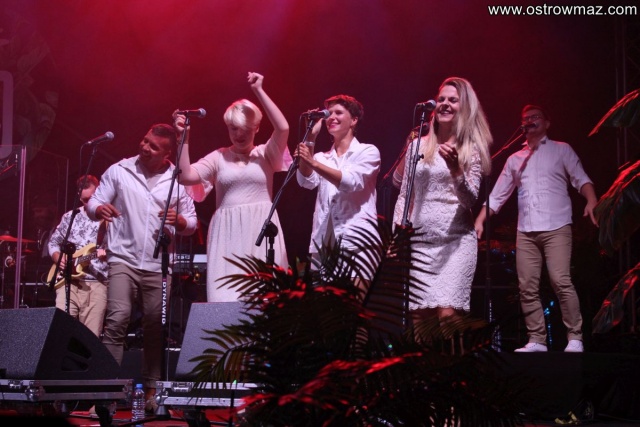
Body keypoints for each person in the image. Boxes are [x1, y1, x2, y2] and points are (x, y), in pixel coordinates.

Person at [87, 123, 197, 412]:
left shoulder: (177, 179)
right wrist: (98, 209)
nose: (145, 147)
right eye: (145, 141)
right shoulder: (120, 170)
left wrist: (180, 221)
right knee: (117, 320)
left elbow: (192, 221)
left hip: (157, 264)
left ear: (167, 154)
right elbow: (94, 201)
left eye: (153, 146)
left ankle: (152, 392)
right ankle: (107, 394)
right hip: (122, 258)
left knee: (154, 327)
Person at [474, 104, 597, 353]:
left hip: (557, 226)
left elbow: (581, 178)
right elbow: (498, 195)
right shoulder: (514, 159)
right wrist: (480, 220)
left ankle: (575, 337)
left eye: (535, 117)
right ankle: (537, 339)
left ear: (547, 123)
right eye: (526, 118)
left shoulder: (561, 150)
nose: (530, 120)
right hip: (526, 230)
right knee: (527, 286)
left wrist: (591, 200)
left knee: (560, 280)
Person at [175, 72, 291, 302]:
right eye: (233, 128)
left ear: (256, 128)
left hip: (260, 227)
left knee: (262, 298)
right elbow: (185, 176)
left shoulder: (265, 154)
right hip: (227, 231)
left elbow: (283, 127)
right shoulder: (219, 157)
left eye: (245, 128)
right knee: (224, 297)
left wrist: (258, 90)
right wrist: (183, 140)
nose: (239, 134)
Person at [392, 77, 492, 326]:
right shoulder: (417, 146)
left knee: (448, 315)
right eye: (441, 99)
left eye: (453, 100)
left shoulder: (471, 148)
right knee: (419, 317)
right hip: (421, 242)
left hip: (455, 241)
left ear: (465, 107)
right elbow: (405, 195)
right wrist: (397, 234)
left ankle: (456, 355)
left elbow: (469, 200)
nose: (445, 104)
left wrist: (456, 170)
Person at [295, 94, 380, 279]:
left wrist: (312, 162)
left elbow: (350, 182)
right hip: (324, 244)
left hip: (358, 242)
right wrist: (310, 138)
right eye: (329, 113)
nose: (331, 117)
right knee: (321, 298)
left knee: (353, 298)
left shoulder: (367, 151)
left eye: (338, 113)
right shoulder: (321, 157)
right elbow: (306, 181)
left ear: (354, 120)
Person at [48, 175, 108, 337]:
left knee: (89, 338)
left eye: (91, 198)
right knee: (60, 332)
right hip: (68, 282)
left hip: (96, 284)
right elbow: (53, 242)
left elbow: (123, 249)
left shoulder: (110, 219)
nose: (88, 203)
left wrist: (107, 256)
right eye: (84, 200)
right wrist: (57, 257)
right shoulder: (70, 216)